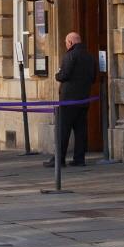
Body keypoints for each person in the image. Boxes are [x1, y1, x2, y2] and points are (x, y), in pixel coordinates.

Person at [49, 32, 98, 169]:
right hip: (84, 99)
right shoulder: (90, 57)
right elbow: (94, 78)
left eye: (66, 43)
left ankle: (59, 159)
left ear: (70, 42)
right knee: (81, 130)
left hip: (68, 100)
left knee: (63, 130)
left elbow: (63, 75)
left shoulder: (70, 55)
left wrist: (57, 74)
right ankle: (79, 158)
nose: (65, 45)